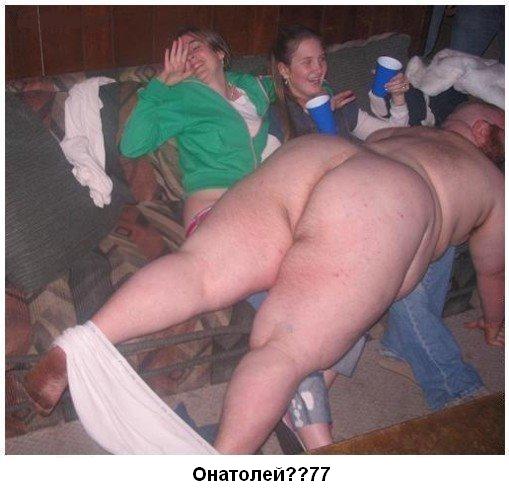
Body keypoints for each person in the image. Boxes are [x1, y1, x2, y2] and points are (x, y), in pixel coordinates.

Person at [18, 101, 504, 455]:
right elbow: (494, 272)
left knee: (199, 270)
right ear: (483, 132)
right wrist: (495, 318)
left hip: (316, 154)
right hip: (386, 195)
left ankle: (76, 345)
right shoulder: (493, 185)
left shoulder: (408, 130)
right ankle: (222, 469)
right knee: (284, 350)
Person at [119, 27, 278, 232]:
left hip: (261, 200)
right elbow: (131, 146)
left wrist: (315, 90)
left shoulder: (249, 86)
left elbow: (289, 82)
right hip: (214, 205)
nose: (191, 56)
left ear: (219, 53)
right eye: (183, 55)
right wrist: (161, 83)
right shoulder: (183, 97)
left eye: (195, 48)